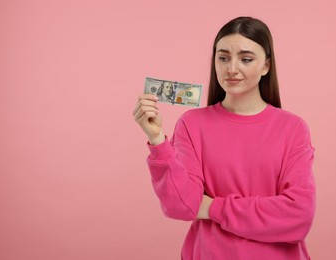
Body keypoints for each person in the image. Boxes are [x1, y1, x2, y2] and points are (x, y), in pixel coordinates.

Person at [133, 16, 315, 260]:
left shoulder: (293, 128)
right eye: (223, 57)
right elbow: (183, 205)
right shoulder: (192, 124)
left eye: (246, 59)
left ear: (266, 66)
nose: (232, 68)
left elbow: (298, 215)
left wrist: (212, 207)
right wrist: (157, 141)